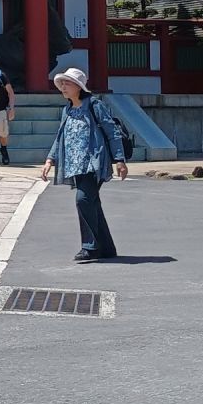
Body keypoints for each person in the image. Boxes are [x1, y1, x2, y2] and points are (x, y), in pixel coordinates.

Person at [41, 66, 127, 260]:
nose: (63, 86)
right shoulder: (68, 109)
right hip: (74, 164)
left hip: (93, 163)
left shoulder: (94, 105)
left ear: (79, 87)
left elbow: (112, 131)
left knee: (83, 199)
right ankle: (107, 247)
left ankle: (90, 247)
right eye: (61, 83)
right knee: (92, 202)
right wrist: (50, 159)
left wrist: (120, 159)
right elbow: (60, 136)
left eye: (67, 83)